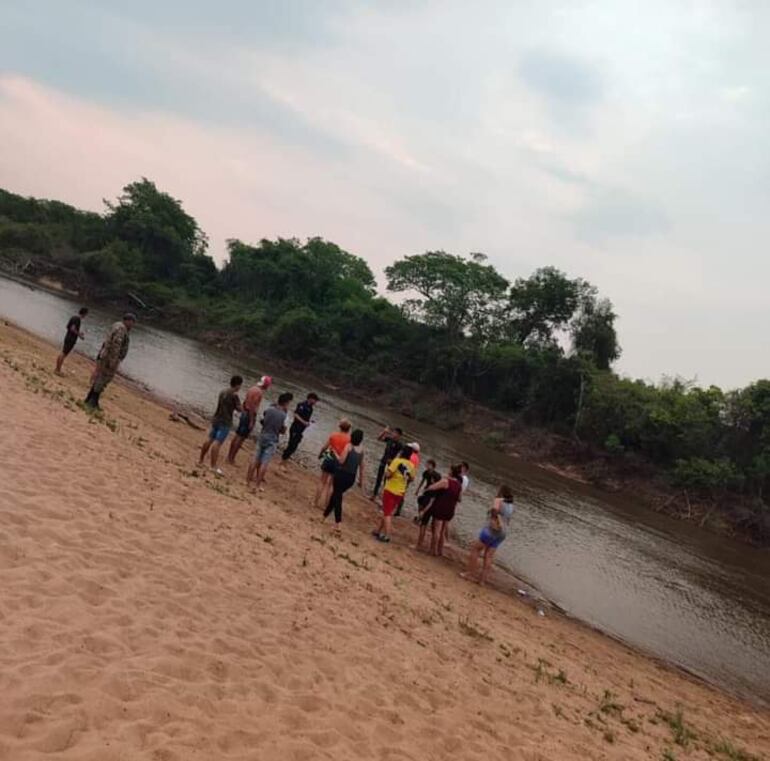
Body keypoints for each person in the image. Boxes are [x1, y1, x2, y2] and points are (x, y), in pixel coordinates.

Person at [462, 486, 514, 585]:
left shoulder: (498, 500)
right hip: (503, 533)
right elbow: (508, 520)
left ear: (501, 492)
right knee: (489, 556)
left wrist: (495, 520)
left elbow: (494, 511)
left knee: (475, 549)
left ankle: (469, 573)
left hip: (492, 530)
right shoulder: (511, 505)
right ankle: (482, 580)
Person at [84, 313, 136, 409]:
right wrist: (113, 361)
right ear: (128, 320)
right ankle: (93, 401)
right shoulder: (121, 329)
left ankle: (90, 398)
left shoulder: (117, 325)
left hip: (105, 356)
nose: (133, 325)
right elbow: (115, 346)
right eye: (132, 322)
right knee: (103, 379)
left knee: (100, 377)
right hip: (109, 358)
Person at [247, 392, 293, 491]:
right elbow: (284, 430)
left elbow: (262, 420)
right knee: (265, 462)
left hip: (263, 434)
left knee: (255, 458)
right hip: (273, 438)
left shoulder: (269, 409)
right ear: (286, 403)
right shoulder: (285, 416)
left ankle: (247, 480)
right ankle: (257, 485)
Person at [198, 375, 243, 474]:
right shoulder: (234, 395)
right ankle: (213, 466)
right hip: (225, 422)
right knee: (217, 443)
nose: (240, 388)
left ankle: (201, 460)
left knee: (209, 439)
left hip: (216, 418)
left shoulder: (222, 392)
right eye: (240, 385)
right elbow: (239, 409)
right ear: (237, 385)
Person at [372, 445, 415, 543]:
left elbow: (388, 474)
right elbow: (412, 479)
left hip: (391, 489)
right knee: (388, 511)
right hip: (400, 492)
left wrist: (388, 473)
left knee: (387, 513)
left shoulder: (397, 461)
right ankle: (378, 530)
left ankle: (387, 535)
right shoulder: (411, 465)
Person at [323, 429, 365, 528]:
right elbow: (362, 467)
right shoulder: (362, 450)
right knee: (335, 495)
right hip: (351, 478)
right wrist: (361, 481)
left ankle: (338, 523)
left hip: (341, 474)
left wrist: (335, 454)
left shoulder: (348, 446)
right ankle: (323, 516)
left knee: (337, 497)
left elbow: (341, 461)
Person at [227, 375, 272, 464]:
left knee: (237, 435)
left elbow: (246, 401)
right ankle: (231, 458)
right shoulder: (258, 392)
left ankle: (229, 456)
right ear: (265, 385)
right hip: (249, 415)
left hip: (245, 412)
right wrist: (252, 420)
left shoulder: (252, 388)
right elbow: (252, 406)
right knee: (241, 438)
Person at [424, 463, 463, 556]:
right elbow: (460, 499)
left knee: (436, 529)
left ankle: (432, 550)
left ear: (451, 472)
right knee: (442, 530)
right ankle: (440, 551)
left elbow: (431, 487)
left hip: (441, 507)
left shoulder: (446, 482)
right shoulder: (459, 485)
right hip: (450, 509)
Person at [314, 419, 352, 508]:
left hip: (329, 458)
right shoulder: (349, 439)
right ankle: (326, 506)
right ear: (349, 429)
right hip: (339, 462)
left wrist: (320, 455)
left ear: (340, 427)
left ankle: (315, 502)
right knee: (331, 485)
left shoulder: (334, 435)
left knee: (322, 481)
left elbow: (324, 447)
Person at [281, 392, 319, 464]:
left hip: (301, 430)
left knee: (294, 445)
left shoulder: (310, 408)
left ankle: (285, 459)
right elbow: (296, 414)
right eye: (315, 400)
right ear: (310, 399)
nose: (315, 402)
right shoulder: (302, 405)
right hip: (295, 427)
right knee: (292, 444)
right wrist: (304, 422)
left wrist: (309, 422)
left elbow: (305, 417)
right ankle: (283, 460)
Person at [413, 459, 442, 550]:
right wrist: (418, 489)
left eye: (428, 464)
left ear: (432, 466)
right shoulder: (426, 473)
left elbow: (436, 492)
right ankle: (420, 515)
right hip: (427, 495)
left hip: (430, 498)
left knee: (424, 524)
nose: (426, 465)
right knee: (419, 500)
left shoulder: (436, 476)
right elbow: (423, 480)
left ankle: (419, 545)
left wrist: (424, 511)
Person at [370, 426, 403, 499]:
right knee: (378, 479)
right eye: (393, 432)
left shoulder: (400, 445)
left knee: (387, 482)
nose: (393, 434)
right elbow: (378, 438)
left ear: (399, 435)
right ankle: (374, 495)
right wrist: (384, 432)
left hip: (390, 465)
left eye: (395, 433)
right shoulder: (389, 439)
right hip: (383, 461)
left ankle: (384, 499)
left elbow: (401, 456)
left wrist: (394, 461)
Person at [55, 307, 88, 374]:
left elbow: (69, 327)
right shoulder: (77, 319)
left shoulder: (73, 317)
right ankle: (58, 370)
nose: (86, 316)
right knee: (63, 354)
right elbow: (72, 329)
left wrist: (78, 332)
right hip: (71, 339)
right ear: (84, 314)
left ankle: (57, 368)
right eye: (86, 314)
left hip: (68, 337)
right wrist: (79, 335)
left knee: (63, 353)